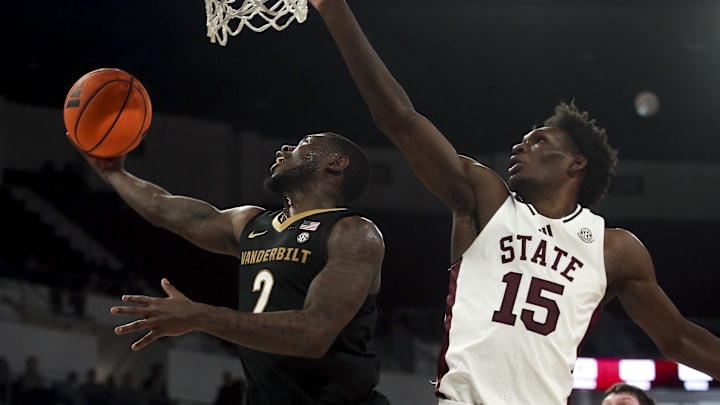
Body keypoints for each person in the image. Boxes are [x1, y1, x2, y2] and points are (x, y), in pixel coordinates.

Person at [308, 1, 720, 404]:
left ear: (576, 163)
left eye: (539, 140)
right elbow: (400, 119)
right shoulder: (485, 200)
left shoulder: (614, 249)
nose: (518, 146)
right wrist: (335, 10)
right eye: (523, 140)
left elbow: (679, 338)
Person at [81, 132, 390, 404]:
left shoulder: (353, 232)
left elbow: (313, 333)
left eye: (304, 144)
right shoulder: (252, 224)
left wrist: (200, 316)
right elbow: (164, 207)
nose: (285, 146)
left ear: (336, 163)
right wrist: (112, 172)